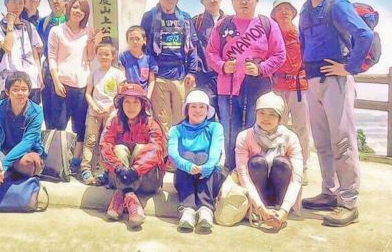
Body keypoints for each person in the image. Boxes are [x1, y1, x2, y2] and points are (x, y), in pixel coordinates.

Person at [298, 0, 373, 227]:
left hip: (335, 80)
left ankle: (349, 202)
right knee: (322, 141)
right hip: (313, 80)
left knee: (342, 141)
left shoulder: (337, 4)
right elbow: (304, 43)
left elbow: (364, 34)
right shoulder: (305, 10)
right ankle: (329, 192)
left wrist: (349, 67)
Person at [205, 0, 286, 172]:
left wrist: (261, 68)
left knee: (255, 131)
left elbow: (279, 54)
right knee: (229, 131)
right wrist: (223, 66)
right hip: (227, 89)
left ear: (257, 0)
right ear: (232, 1)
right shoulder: (222, 24)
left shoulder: (267, 24)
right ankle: (230, 168)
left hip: (257, 89)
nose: (244, 2)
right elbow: (211, 53)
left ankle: (254, 170)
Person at [100, 83, 166, 228]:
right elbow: (104, 146)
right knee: (119, 149)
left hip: (147, 181)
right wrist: (118, 168)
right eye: (127, 102)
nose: (131, 106)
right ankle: (129, 196)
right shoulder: (114, 123)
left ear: (143, 104)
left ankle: (121, 194)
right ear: (121, 104)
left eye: (136, 102)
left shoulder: (152, 124)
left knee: (141, 148)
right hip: (120, 175)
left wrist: (135, 170)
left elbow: (156, 149)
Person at [235, 92, 303, 232]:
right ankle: (260, 209)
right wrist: (260, 208)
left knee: (282, 163)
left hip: (281, 198)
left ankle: (278, 211)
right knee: (257, 163)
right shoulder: (244, 136)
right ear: (255, 113)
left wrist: (284, 209)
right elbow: (243, 176)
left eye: (272, 114)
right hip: (257, 197)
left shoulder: (290, 138)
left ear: (280, 118)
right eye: (262, 113)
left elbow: (296, 178)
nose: (266, 118)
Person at [47, 0, 101, 172]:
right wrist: (56, 82)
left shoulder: (88, 32)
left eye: (82, 10)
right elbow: (51, 58)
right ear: (69, 8)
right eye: (75, 7)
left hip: (82, 85)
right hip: (62, 84)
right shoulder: (56, 31)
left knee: (79, 126)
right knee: (59, 124)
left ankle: (76, 161)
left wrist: (92, 43)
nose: (78, 11)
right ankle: (57, 162)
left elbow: (90, 57)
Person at [141, 0, 199, 137]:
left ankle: (180, 149)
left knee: (181, 116)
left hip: (180, 75)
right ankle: (166, 151)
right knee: (162, 120)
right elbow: (143, 46)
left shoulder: (186, 18)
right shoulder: (149, 17)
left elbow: (192, 47)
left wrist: (192, 72)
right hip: (157, 75)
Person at [168, 89, 224, 232]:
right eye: (193, 106)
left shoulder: (215, 127)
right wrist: (187, 165)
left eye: (202, 107)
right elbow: (173, 154)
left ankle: (206, 209)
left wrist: (207, 167)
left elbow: (215, 152)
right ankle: (188, 210)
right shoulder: (175, 130)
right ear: (187, 109)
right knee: (187, 155)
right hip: (185, 175)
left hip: (210, 177)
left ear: (207, 110)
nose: (197, 110)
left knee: (202, 157)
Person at [271, 0, 312, 185]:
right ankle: (278, 165)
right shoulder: (271, 34)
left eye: (288, 9)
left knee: (301, 128)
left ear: (293, 13)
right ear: (274, 15)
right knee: (276, 128)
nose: (284, 12)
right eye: (280, 9)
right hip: (277, 86)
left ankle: (302, 166)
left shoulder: (301, 34)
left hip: (298, 87)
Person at [0, 72, 46, 184]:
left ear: (29, 91)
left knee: (28, 163)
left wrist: (4, 164)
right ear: (7, 92)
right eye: (15, 89)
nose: (20, 93)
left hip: (26, 152)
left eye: (24, 89)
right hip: (5, 150)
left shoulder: (37, 112)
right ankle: (6, 173)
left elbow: (27, 143)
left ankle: (6, 173)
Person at [81, 40, 125, 185]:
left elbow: (120, 95)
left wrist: (109, 108)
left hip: (111, 114)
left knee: (106, 142)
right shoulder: (94, 73)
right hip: (94, 113)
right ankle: (86, 169)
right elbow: (88, 93)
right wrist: (94, 106)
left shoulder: (118, 74)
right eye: (100, 54)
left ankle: (104, 171)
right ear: (96, 55)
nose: (103, 57)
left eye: (107, 54)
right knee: (90, 140)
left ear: (113, 56)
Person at [0, 0, 43, 103]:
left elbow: (35, 54)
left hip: (32, 81)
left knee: (32, 113)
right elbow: (7, 47)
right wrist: (10, 23)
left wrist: (40, 76)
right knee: (9, 113)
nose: (17, 6)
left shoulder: (29, 27)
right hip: (10, 83)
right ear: (6, 3)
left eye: (20, 3)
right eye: (13, 2)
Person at [36, 0, 68, 128]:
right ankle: (51, 136)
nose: (54, 1)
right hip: (49, 69)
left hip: (69, 68)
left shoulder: (72, 19)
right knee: (48, 109)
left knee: (66, 111)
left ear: (65, 1)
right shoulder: (44, 22)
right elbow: (37, 48)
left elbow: (88, 10)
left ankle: (66, 139)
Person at [192, 0, 225, 116]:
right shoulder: (196, 22)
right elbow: (190, 48)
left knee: (226, 116)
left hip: (226, 76)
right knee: (205, 116)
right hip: (204, 78)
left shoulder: (230, 21)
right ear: (202, 1)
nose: (212, 1)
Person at [118, 25, 158, 99]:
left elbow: (152, 80)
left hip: (144, 96)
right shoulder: (123, 57)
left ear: (144, 40)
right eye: (131, 39)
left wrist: (148, 97)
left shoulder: (149, 59)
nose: (135, 42)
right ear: (127, 41)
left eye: (137, 39)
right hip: (128, 95)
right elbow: (122, 79)